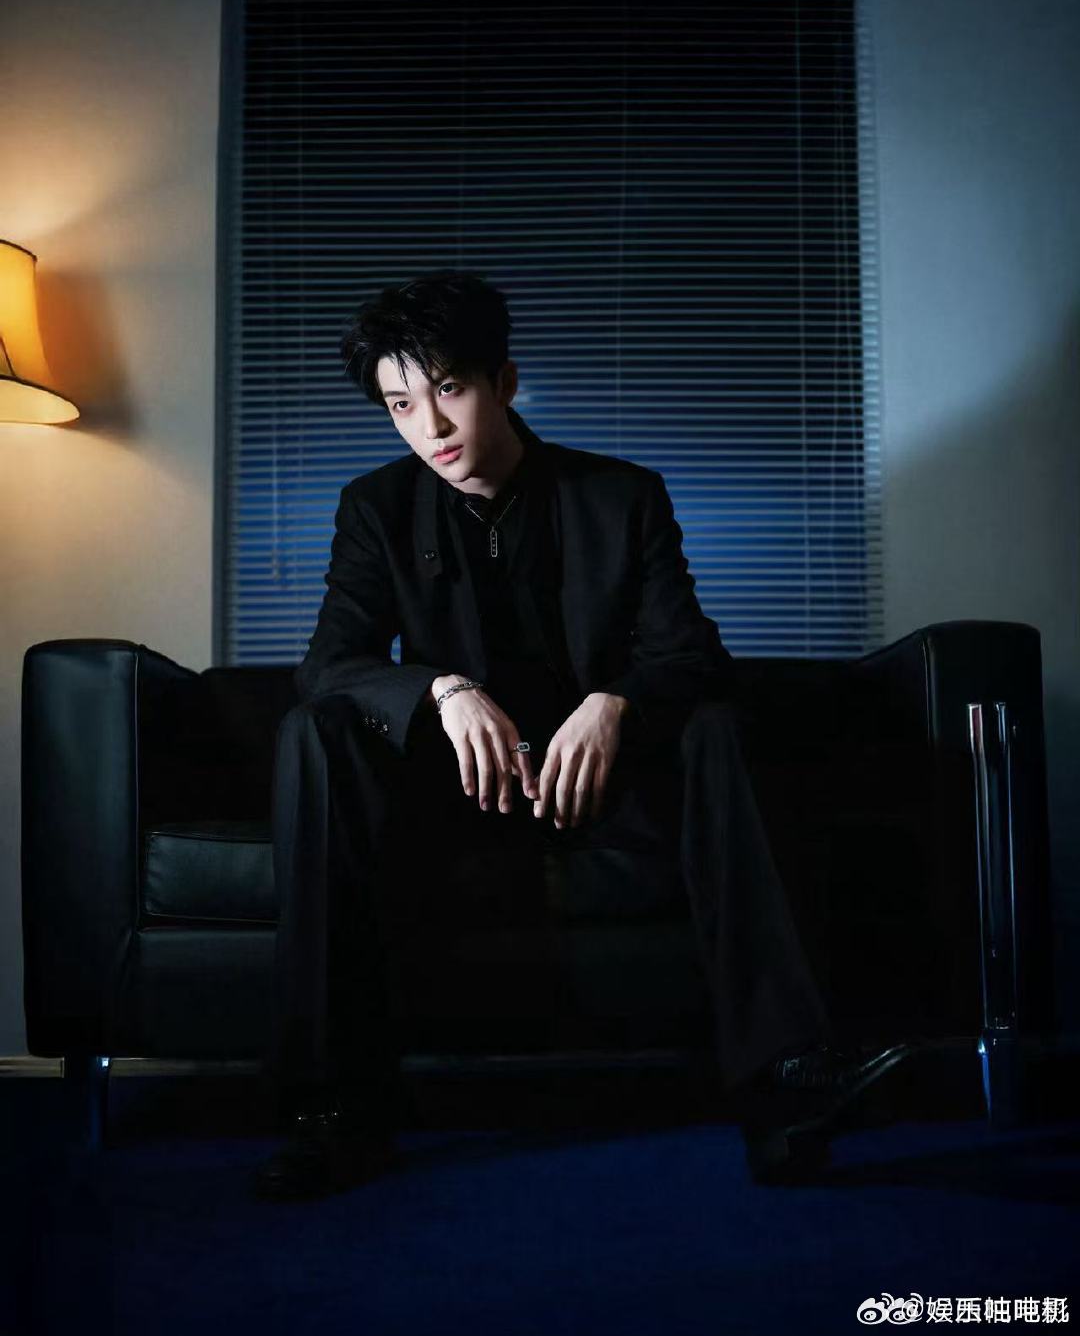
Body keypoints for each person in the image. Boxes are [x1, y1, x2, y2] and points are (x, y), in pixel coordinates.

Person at [253, 270, 915, 1201]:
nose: (430, 428)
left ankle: (787, 1089)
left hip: (610, 794)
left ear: (504, 382)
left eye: (449, 390)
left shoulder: (622, 497)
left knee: (720, 728)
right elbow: (330, 663)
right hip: (460, 797)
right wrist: (442, 688)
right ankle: (328, 1113)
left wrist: (615, 703)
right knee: (315, 731)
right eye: (401, 405)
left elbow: (693, 656)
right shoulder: (377, 507)